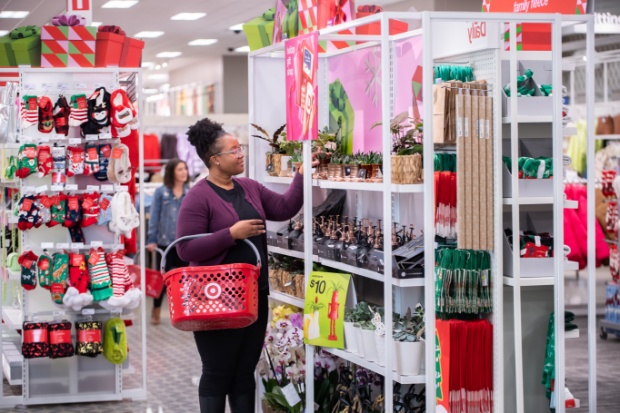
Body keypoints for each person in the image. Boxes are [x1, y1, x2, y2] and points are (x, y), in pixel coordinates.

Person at [176, 118, 315, 413]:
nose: (241, 154)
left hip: (253, 296)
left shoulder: (249, 187)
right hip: (214, 298)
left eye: (240, 148)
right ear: (214, 160)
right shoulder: (198, 197)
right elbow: (186, 247)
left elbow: (284, 208)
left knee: (244, 372)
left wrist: (301, 175)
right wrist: (231, 234)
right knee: (217, 372)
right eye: (233, 150)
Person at [146, 158, 190, 325]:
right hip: (164, 243)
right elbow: (154, 217)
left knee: (185, 278)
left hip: (183, 243)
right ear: (172, 172)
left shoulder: (189, 192)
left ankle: (185, 311)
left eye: (185, 169)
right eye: (180, 169)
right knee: (162, 279)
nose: (184, 172)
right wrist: (152, 239)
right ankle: (156, 310)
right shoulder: (161, 192)